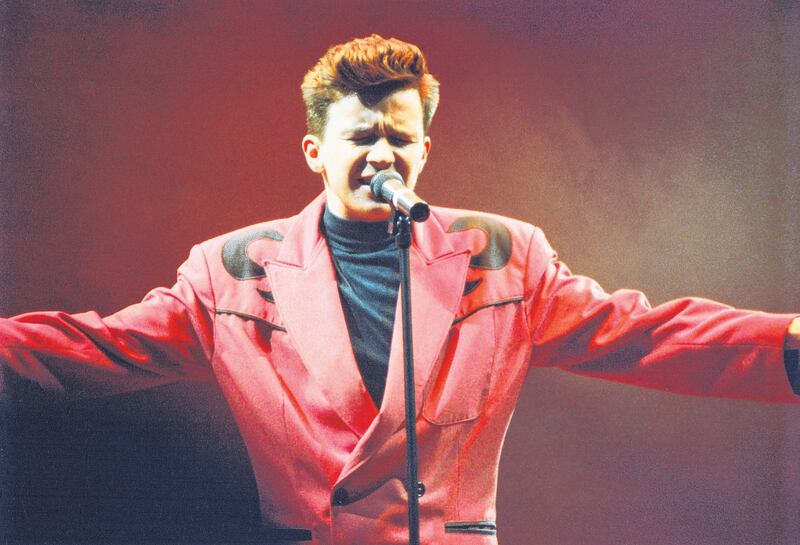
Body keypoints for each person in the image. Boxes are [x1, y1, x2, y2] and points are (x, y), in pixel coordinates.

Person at [2, 34, 799, 545]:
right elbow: (97, 343)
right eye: (361, 135)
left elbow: (644, 333)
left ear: (424, 145)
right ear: (316, 149)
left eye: (398, 135)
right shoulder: (231, 268)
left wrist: (789, 346)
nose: (382, 152)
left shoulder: (503, 255)